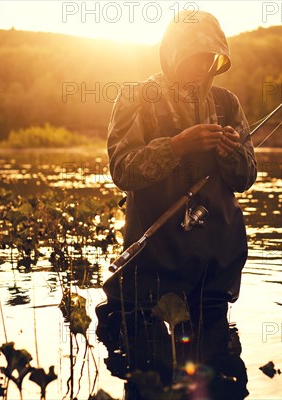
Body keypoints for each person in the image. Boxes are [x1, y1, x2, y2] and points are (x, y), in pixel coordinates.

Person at [96, 10, 256, 398]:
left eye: (208, 58)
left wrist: (231, 153)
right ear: (171, 54)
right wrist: (177, 146)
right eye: (192, 56)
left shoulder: (227, 102)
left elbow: (245, 177)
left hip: (216, 271)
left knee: (220, 383)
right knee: (151, 376)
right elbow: (122, 169)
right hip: (153, 270)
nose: (200, 67)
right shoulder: (136, 96)